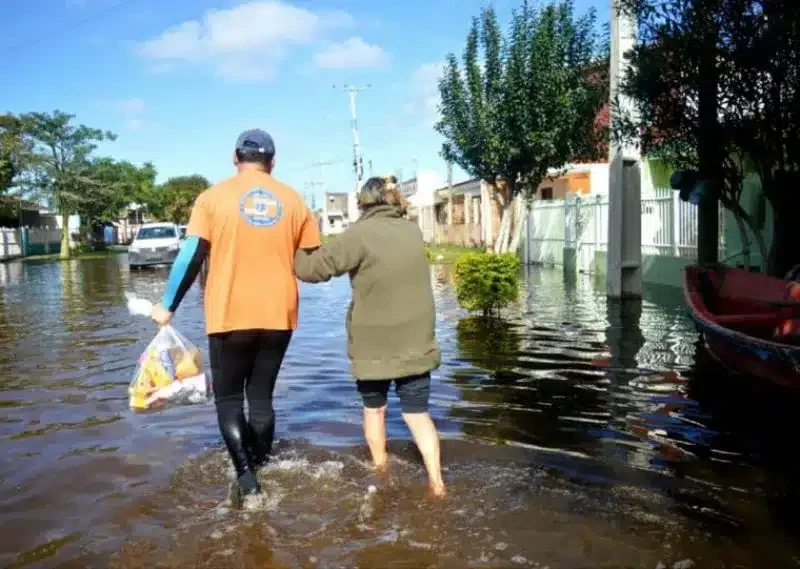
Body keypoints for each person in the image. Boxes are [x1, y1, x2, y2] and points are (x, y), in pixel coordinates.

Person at [150, 128, 321, 499]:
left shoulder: (212, 198)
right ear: (272, 162)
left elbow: (191, 256)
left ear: (234, 158)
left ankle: (247, 479)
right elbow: (311, 261)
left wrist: (167, 305)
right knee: (261, 398)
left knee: (229, 399)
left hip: (229, 313)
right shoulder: (293, 200)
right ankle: (262, 464)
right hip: (280, 313)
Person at [294, 175, 446, 497]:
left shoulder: (359, 234)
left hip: (373, 343)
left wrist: (295, 248)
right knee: (417, 414)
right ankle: (437, 482)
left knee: (375, 410)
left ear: (363, 203)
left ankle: (381, 472)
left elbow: (315, 270)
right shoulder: (413, 231)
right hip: (417, 339)